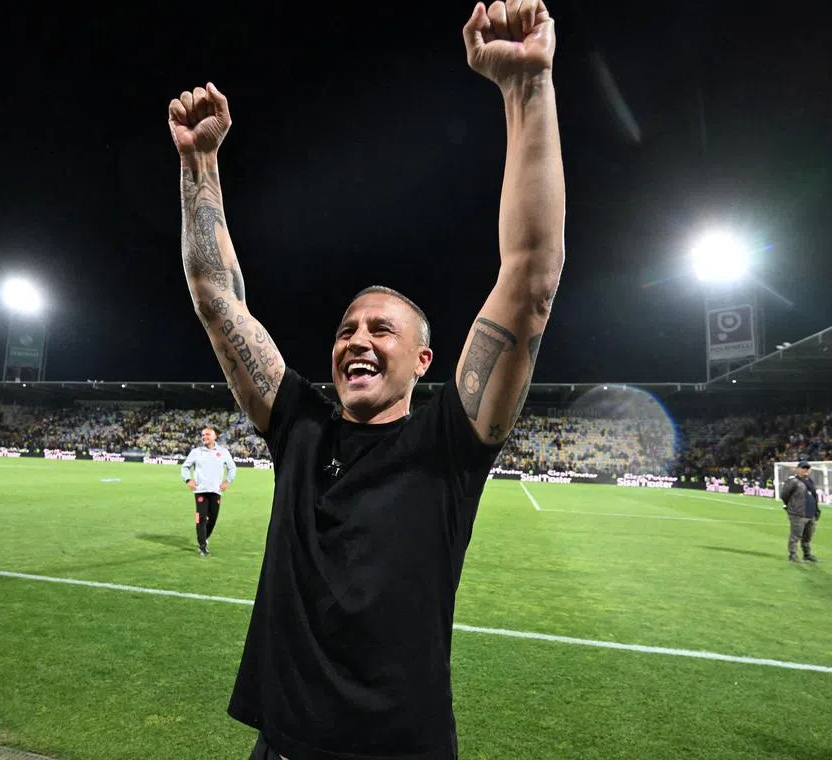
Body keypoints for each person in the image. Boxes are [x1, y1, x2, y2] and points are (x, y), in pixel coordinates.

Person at [167, 2, 564, 757]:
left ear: (424, 361)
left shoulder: (452, 441)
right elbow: (217, 299)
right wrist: (199, 163)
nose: (357, 338)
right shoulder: (301, 425)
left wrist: (527, 89)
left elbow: (532, 278)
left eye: (382, 328)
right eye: (348, 327)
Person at [180, 426, 237, 556]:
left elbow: (232, 468)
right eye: (203, 435)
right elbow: (185, 467)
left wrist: (228, 481)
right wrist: (188, 480)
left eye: (207, 435)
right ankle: (202, 546)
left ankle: (204, 537)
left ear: (214, 436)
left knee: (213, 518)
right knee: (201, 518)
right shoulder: (196, 452)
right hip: (200, 490)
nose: (204, 437)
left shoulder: (223, 452)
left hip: (216, 490)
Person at [780, 460, 821, 563]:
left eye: (807, 468)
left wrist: (816, 510)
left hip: (811, 513)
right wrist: (790, 507)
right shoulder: (793, 481)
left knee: (808, 537)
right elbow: (784, 495)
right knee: (795, 535)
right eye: (803, 468)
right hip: (798, 514)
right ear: (798, 469)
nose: (805, 470)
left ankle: (807, 555)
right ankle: (793, 555)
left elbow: (814, 496)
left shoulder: (810, 481)